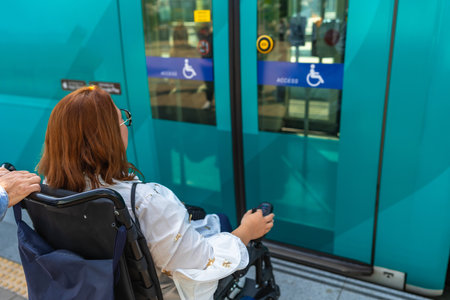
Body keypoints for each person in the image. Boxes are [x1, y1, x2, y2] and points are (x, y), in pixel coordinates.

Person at [38, 86, 275, 300]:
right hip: (163, 292)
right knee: (224, 222)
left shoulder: (48, 190)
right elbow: (201, 266)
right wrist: (246, 231)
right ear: (107, 139)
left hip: (99, 286)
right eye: (123, 121)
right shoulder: (147, 203)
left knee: (211, 219)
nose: (125, 128)